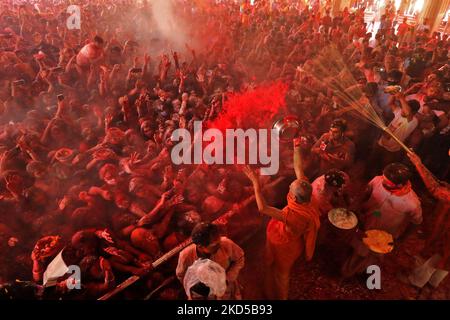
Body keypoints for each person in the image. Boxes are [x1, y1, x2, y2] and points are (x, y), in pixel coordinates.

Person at [243, 138, 320, 299]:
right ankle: (270, 275)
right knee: (271, 264)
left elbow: (263, 208)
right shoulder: (306, 191)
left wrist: (256, 184)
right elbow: (298, 168)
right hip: (281, 234)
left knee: (282, 274)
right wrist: (296, 145)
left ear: (295, 198)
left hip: (287, 245)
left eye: (290, 189)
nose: (290, 186)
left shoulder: (293, 215)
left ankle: (282, 297)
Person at [342, 162, 422, 277]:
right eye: (383, 176)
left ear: (399, 185)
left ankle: (354, 272)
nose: (382, 180)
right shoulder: (377, 180)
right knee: (356, 246)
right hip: (365, 222)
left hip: (383, 234)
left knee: (368, 255)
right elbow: (365, 195)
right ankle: (351, 265)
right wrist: (354, 208)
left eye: (386, 181)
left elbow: (416, 222)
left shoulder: (412, 203)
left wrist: (401, 239)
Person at [398, 152, 449, 294]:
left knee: (434, 258)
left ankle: (416, 281)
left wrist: (418, 163)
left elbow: (435, 189)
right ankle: (432, 283)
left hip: (446, 237)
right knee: (445, 263)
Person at [176, 222, 245, 300]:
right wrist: (197, 289)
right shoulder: (185, 256)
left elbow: (239, 259)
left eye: (219, 240)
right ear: (200, 246)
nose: (219, 245)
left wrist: (227, 279)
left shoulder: (226, 244)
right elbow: (181, 275)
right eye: (214, 245)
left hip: (226, 292)